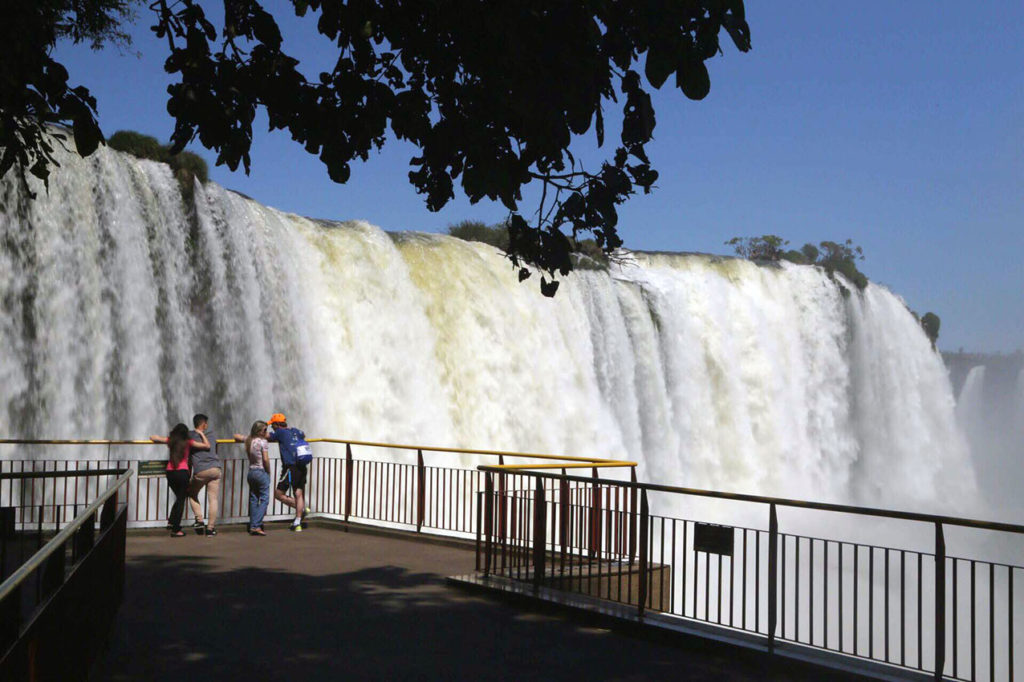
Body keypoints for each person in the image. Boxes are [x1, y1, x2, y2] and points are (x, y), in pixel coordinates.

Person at [150, 423, 210, 537]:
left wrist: (161, 438)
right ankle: (176, 529)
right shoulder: (188, 442)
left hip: (170, 472)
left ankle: (172, 522)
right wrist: (201, 433)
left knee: (179, 497)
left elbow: (153, 437)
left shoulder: (170, 440)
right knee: (181, 499)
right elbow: (207, 446)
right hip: (182, 473)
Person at [267, 413, 311, 532]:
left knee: (278, 494)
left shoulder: (280, 433)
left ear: (276, 425)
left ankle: (301, 510)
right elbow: (304, 434)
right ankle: (297, 522)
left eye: (272, 425)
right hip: (302, 465)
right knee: (298, 493)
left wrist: (250, 436)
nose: (272, 427)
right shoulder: (295, 431)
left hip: (290, 467)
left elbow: (266, 436)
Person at [186, 413, 222, 536]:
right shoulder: (211, 435)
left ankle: (199, 520)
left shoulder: (189, 435)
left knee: (191, 493)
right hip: (215, 469)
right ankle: (210, 529)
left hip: (201, 470)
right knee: (213, 499)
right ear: (204, 424)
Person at [233, 420, 271, 536]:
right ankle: (256, 525)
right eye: (265, 430)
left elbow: (236, 436)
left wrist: (244, 437)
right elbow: (265, 459)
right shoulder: (263, 442)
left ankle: (253, 525)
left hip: (251, 472)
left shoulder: (249, 440)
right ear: (259, 431)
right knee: (265, 499)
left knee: (254, 498)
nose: (266, 432)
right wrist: (268, 471)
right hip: (260, 472)